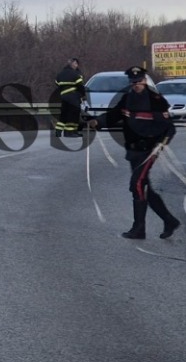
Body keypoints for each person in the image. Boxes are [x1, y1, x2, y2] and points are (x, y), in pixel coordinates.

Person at [88, 66, 181, 240]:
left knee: (137, 184)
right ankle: (169, 220)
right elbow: (114, 115)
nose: (136, 85)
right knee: (144, 188)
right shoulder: (127, 99)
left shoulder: (156, 100)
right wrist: (96, 122)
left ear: (145, 81)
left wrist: (161, 144)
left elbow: (170, 128)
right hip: (133, 149)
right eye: (133, 82)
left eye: (139, 81)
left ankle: (139, 229)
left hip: (149, 149)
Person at [55, 57, 86, 137]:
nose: (76, 65)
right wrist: (83, 95)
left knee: (64, 114)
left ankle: (58, 130)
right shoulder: (76, 74)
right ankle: (69, 132)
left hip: (64, 97)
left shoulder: (60, 74)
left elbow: (57, 83)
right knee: (73, 114)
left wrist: (63, 91)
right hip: (73, 97)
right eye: (76, 64)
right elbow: (80, 86)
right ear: (72, 64)